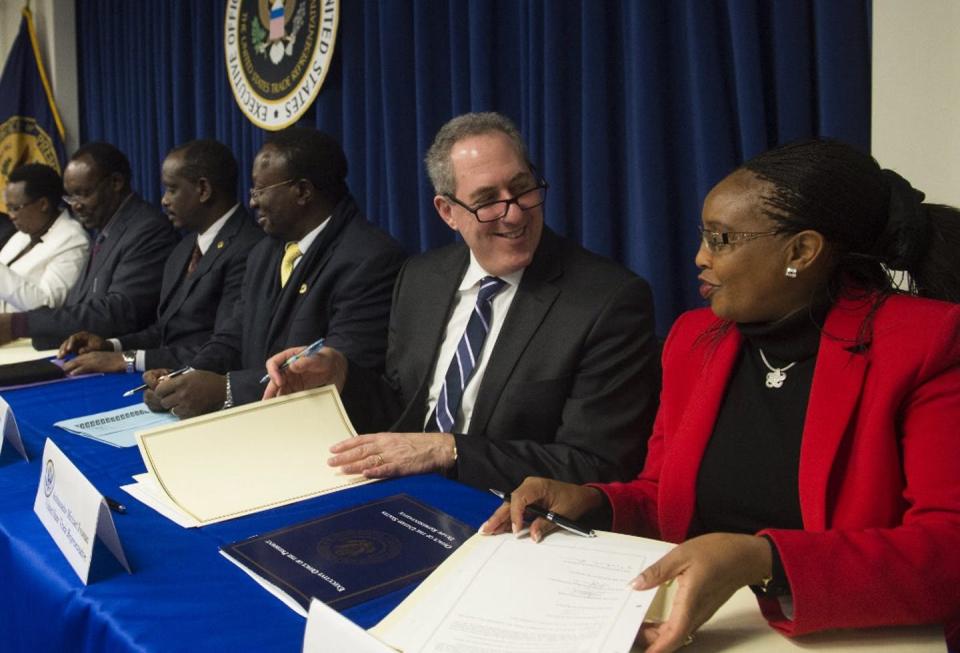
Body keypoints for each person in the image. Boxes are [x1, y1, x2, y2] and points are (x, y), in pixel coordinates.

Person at [482, 139, 960, 652]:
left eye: (722, 239)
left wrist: (761, 560)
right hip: (700, 626)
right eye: (703, 236)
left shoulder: (925, 342)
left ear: (801, 250)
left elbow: (948, 551)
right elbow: (664, 495)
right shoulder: (694, 340)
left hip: (840, 634)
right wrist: (592, 503)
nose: (700, 258)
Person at [264, 112, 660, 491]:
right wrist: (341, 374)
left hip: (512, 516)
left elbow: (597, 465)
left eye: (522, 188)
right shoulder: (420, 278)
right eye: (487, 199)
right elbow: (403, 408)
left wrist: (449, 449)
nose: (514, 212)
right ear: (448, 212)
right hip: (405, 494)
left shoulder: (608, 300)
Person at [143, 127, 405, 417]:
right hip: (260, 423)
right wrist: (184, 377)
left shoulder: (370, 259)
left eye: (260, 190)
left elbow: (334, 371)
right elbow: (233, 335)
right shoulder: (264, 251)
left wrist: (226, 389)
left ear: (302, 191)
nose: (252, 201)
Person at [58, 139, 263, 375]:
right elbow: (165, 331)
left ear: (203, 190)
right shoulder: (184, 247)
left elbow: (223, 347)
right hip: (164, 375)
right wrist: (112, 345)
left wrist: (128, 359)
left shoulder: (250, 249)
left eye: (172, 189)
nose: (164, 200)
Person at [0, 142, 177, 348]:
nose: (75, 204)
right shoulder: (106, 232)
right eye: (70, 196)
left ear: (116, 182)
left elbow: (120, 313)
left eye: (83, 193)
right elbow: (78, 305)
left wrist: (20, 324)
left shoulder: (148, 230)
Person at [0, 164, 89, 313]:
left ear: (43, 204)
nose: (11, 216)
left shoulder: (74, 241)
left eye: (16, 208)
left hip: (28, 334)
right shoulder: (21, 235)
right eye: (9, 208)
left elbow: (47, 306)